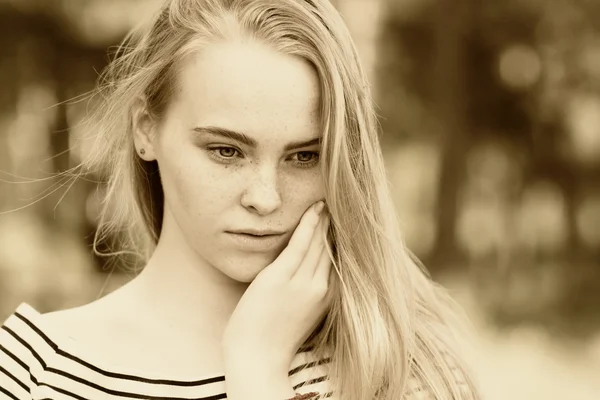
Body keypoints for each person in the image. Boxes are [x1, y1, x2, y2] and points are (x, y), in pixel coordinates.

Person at [0, 0, 482, 399]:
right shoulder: (32, 372)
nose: (266, 198)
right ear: (146, 128)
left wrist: (258, 371)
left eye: (304, 156)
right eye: (226, 151)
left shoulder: (404, 365)